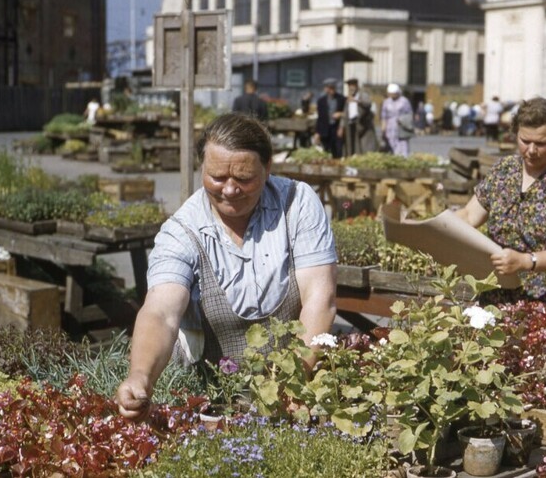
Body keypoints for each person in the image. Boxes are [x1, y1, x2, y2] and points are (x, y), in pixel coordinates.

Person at [116, 113, 338, 419]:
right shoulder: (183, 230)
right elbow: (161, 312)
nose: (230, 190)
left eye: (244, 179)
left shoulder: (297, 204)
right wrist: (141, 375)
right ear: (202, 169)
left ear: (268, 168)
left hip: (295, 384)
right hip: (209, 398)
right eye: (217, 177)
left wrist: (295, 383)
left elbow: (319, 299)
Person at [455, 97, 546, 305]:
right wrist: (439, 226)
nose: (532, 150)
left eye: (541, 143)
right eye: (525, 141)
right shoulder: (504, 169)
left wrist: (526, 261)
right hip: (496, 294)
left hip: (544, 302)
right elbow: (470, 215)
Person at [338, 78, 377, 156]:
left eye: (352, 85)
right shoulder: (349, 98)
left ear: (356, 85)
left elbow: (368, 104)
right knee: (352, 147)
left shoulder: (363, 95)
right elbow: (345, 112)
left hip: (363, 125)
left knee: (365, 147)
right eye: (349, 86)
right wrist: (341, 127)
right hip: (351, 124)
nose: (351, 88)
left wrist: (357, 101)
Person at [315, 78, 346, 159]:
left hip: (337, 128)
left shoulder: (341, 99)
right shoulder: (321, 101)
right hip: (325, 129)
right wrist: (317, 132)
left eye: (332, 88)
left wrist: (341, 114)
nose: (330, 90)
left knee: (337, 150)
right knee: (326, 151)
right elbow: (320, 118)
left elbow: (347, 113)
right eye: (328, 88)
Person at [380, 83, 413, 156]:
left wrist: (403, 120)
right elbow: (384, 116)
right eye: (390, 93)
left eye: (393, 93)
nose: (392, 95)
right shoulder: (386, 102)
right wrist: (383, 129)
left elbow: (409, 114)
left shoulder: (404, 101)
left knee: (403, 145)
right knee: (391, 145)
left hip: (401, 127)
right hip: (390, 127)